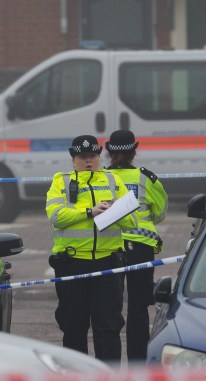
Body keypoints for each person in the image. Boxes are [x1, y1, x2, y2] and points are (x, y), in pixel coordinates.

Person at [45, 134, 137, 362]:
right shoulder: (61, 181)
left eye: (93, 156)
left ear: (99, 156)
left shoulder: (113, 180)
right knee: (73, 327)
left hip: (107, 265)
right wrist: (89, 213)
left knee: (108, 328)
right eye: (83, 157)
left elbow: (132, 220)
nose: (89, 161)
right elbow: (56, 216)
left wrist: (115, 212)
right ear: (73, 159)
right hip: (71, 264)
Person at [104, 129, 169, 364]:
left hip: (109, 249)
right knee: (139, 309)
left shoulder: (101, 178)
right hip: (141, 249)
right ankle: (138, 365)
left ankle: (110, 363)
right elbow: (160, 214)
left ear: (108, 151)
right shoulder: (146, 178)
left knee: (110, 309)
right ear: (135, 150)